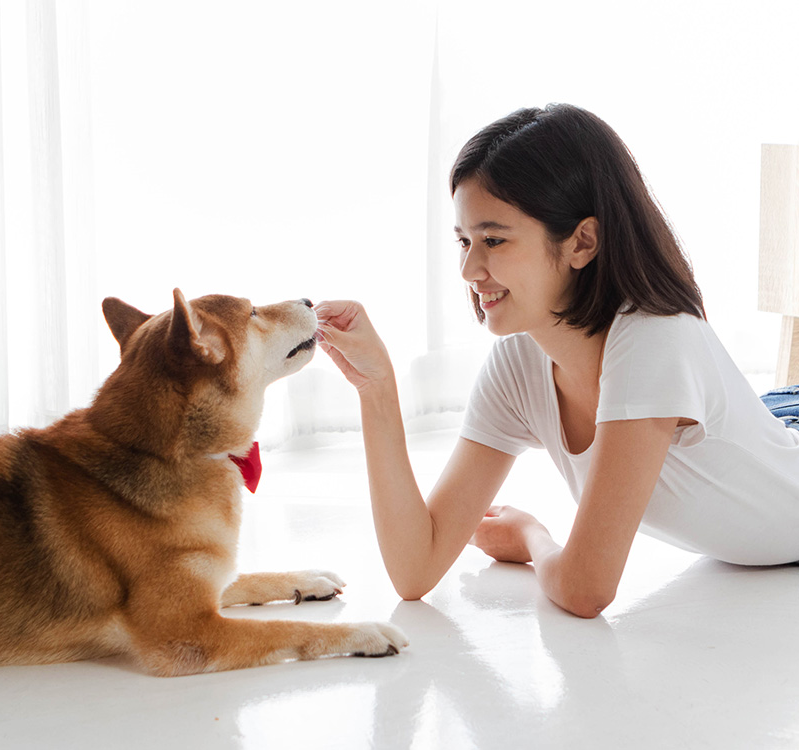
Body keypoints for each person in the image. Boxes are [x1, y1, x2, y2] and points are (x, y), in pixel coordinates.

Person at [314, 103, 799, 619]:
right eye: (464, 241)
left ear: (581, 242)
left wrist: (532, 536)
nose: (469, 269)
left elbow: (586, 589)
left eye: (494, 239)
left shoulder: (654, 340)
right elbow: (415, 570)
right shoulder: (518, 363)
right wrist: (377, 388)